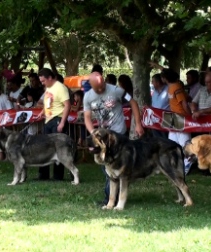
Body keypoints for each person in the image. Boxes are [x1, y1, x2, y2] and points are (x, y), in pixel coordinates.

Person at [83, 72, 144, 206]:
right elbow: (87, 117)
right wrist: (93, 132)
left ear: (104, 81)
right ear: (91, 86)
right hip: (102, 136)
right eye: (96, 88)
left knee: (115, 166)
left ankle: (112, 199)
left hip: (118, 134)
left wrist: (138, 124)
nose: (100, 90)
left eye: (102, 86)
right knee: (106, 167)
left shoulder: (117, 90)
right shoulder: (88, 96)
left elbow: (133, 102)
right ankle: (112, 198)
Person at [37, 68, 71, 181]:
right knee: (45, 148)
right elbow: (48, 103)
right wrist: (42, 112)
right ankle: (44, 175)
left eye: (43, 81)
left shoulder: (61, 88)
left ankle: (58, 176)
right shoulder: (48, 88)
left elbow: (67, 105)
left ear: (50, 78)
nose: (42, 83)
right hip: (48, 120)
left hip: (57, 120)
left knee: (59, 149)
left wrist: (62, 123)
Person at [160, 69, 193, 174]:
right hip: (174, 117)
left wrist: (189, 116)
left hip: (180, 117)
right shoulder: (173, 86)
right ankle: (175, 164)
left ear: (165, 78)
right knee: (172, 142)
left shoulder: (176, 87)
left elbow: (184, 103)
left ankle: (187, 163)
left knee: (184, 142)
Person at [150, 73, 169, 138]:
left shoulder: (168, 90)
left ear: (158, 82)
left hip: (165, 120)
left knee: (165, 140)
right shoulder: (154, 92)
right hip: (155, 120)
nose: (152, 83)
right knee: (156, 139)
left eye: (153, 81)